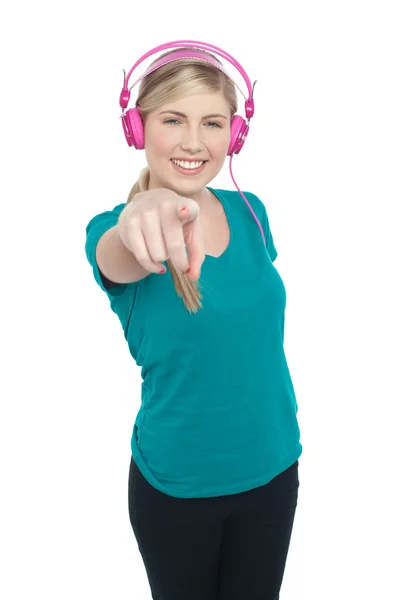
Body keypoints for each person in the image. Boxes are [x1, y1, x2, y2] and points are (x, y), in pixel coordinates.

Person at [85, 41, 302, 600]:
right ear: (138, 129)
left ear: (234, 134)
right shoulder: (116, 231)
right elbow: (118, 252)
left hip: (274, 472)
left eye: (212, 122)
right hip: (178, 491)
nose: (192, 141)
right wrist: (143, 213)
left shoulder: (251, 210)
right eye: (172, 119)